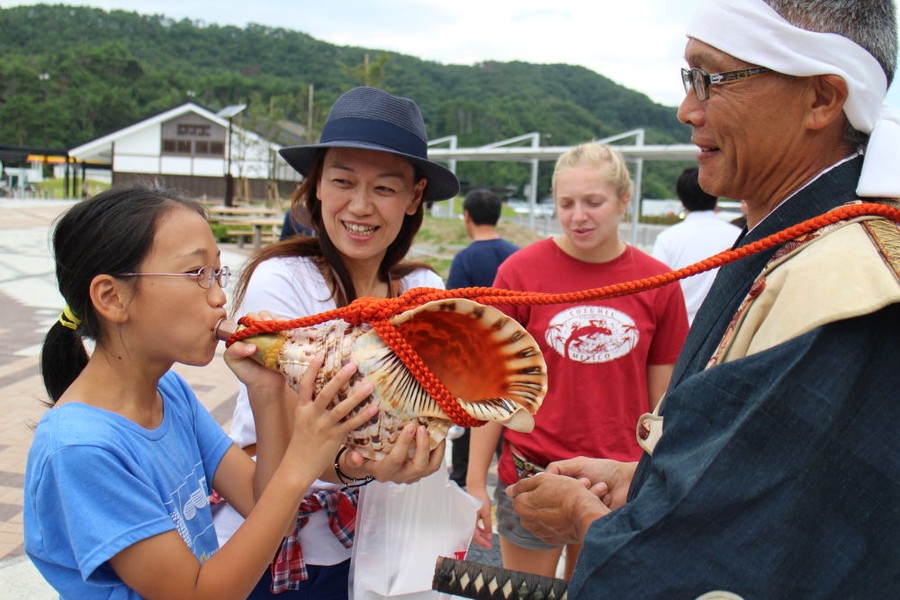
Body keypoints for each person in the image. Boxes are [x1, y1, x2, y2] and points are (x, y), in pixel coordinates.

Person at [507, 0, 900, 597]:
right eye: (688, 80)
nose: (686, 109)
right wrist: (647, 478)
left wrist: (588, 519)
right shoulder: (804, 243)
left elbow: (741, 557)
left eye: (710, 78)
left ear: (822, 98)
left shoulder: (848, 284)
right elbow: (775, 480)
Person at [23, 184, 378, 599]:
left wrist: (266, 392)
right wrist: (305, 455)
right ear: (112, 297)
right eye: (197, 275)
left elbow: (266, 510)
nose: (219, 297)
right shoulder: (81, 449)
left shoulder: (169, 393)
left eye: (218, 273)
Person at [212, 86, 460, 598]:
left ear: (415, 196)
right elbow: (279, 432)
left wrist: (425, 451)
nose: (360, 206)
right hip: (291, 551)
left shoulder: (425, 292)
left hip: (388, 550)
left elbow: (443, 413)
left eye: (386, 189)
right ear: (317, 187)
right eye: (343, 181)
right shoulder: (283, 281)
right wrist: (353, 466)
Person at [467, 143, 689, 580]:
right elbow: (493, 385)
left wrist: (662, 481)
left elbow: (663, 400)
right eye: (566, 203)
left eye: (593, 202)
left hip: (617, 484)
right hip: (532, 475)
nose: (578, 216)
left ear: (624, 200)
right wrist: (476, 480)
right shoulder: (519, 273)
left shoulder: (659, 284)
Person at [446, 188, 520, 488]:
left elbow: (452, 313)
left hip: (475, 360)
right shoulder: (517, 254)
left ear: (467, 217)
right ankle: (512, 479)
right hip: (512, 357)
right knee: (511, 424)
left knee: (471, 421)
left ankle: (463, 483)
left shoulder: (465, 259)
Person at [652, 166, 741, 323]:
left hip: (679, 326)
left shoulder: (667, 238)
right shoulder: (737, 236)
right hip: (723, 328)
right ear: (716, 196)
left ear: (681, 199)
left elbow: (657, 291)